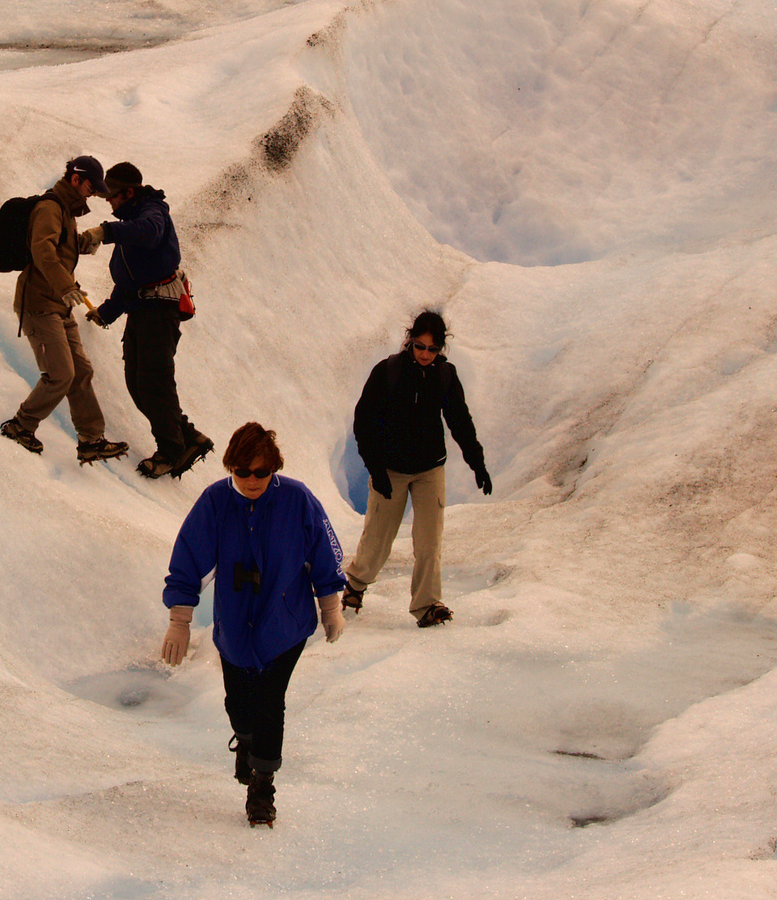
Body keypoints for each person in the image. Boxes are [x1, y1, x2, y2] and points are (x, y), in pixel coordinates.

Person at [160, 422, 345, 827]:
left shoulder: (298, 500)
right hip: (236, 629)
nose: (252, 480)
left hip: (285, 625)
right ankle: (245, 742)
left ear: (274, 468)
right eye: (242, 472)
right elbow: (188, 557)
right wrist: (180, 619)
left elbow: (325, 551)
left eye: (261, 472)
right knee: (239, 705)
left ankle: (262, 787)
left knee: (269, 705)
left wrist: (330, 604)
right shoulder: (215, 503)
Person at [343, 309, 490, 627]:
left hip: (429, 470)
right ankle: (355, 585)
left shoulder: (445, 376)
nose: (425, 354)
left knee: (429, 541)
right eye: (420, 346)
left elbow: (459, 421)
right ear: (410, 341)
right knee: (378, 538)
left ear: (441, 349)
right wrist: (376, 469)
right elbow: (364, 421)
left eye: (432, 349)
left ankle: (427, 605)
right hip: (391, 469)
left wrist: (476, 463)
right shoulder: (388, 372)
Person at [83, 162, 211, 478]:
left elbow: (150, 233)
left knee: (153, 380)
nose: (109, 202)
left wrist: (106, 232)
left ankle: (172, 452)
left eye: (113, 195)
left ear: (129, 192)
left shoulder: (152, 213)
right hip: (144, 309)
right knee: (138, 382)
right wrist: (106, 312)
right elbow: (129, 284)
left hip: (159, 310)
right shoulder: (132, 223)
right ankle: (187, 437)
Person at [0, 156, 128, 465]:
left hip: (58, 305)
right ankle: (20, 426)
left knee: (81, 372)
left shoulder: (65, 212)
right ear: (75, 180)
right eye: (90, 187)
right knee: (61, 375)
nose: (91, 194)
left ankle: (91, 440)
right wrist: (65, 286)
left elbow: (64, 245)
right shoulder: (50, 208)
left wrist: (92, 238)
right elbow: (42, 251)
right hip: (39, 306)